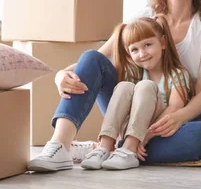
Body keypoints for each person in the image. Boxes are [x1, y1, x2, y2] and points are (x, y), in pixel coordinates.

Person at [28, 0, 201, 172]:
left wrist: (178, 117)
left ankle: (112, 147)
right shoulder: (144, 15)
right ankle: (61, 145)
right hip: (131, 106)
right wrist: (62, 74)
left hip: (181, 111)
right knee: (91, 57)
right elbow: (97, 61)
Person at [81, 16, 193, 171]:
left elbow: (174, 108)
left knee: (146, 86)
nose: (142, 54)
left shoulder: (177, 74)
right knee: (123, 86)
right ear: (128, 54)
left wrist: (147, 135)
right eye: (135, 49)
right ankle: (105, 146)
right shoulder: (133, 74)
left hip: (155, 127)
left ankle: (129, 149)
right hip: (132, 124)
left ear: (162, 43)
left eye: (147, 45)